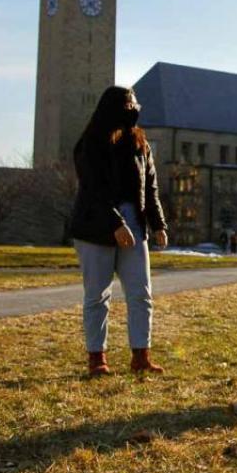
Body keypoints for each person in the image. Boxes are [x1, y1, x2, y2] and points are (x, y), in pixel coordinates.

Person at [69, 86, 168, 377]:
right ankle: (96, 359)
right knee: (98, 295)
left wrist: (158, 223)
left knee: (141, 293)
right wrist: (115, 224)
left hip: (135, 224)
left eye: (135, 103)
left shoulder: (140, 143)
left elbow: (150, 188)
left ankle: (141, 356)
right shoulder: (91, 142)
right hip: (95, 226)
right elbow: (92, 190)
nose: (134, 109)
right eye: (128, 104)